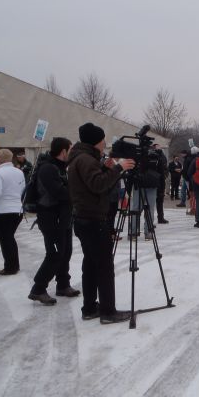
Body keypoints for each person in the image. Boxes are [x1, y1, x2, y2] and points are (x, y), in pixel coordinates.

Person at [67, 122, 135, 324]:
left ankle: (89, 307)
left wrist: (106, 170)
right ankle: (108, 311)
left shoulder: (82, 158)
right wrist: (118, 168)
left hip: (85, 218)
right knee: (104, 267)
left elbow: (93, 182)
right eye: (103, 139)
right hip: (93, 220)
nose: (105, 143)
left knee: (91, 264)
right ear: (96, 141)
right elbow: (97, 185)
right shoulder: (86, 159)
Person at [28, 137, 80, 304]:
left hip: (63, 218)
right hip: (50, 217)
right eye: (70, 149)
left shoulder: (61, 167)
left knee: (66, 252)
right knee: (55, 254)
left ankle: (63, 285)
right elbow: (60, 193)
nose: (71, 153)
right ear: (63, 151)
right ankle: (38, 289)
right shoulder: (48, 168)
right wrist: (78, 188)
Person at [0, 149, 25, 275]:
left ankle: (10, 267)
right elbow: (23, 189)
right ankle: (14, 265)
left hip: (3, 211)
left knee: (5, 239)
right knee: (9, 238)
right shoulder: (19, 172)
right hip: (17, 209)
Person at [152, 144, 169, 224]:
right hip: (152, 181)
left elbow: (165, 167)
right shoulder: (151, 155)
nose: (159, 148)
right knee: (150, 201)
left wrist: (165, 174)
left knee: (160, 200)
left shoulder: (162, 155)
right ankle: (150, 221)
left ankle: (160, 217)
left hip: (161, 180)